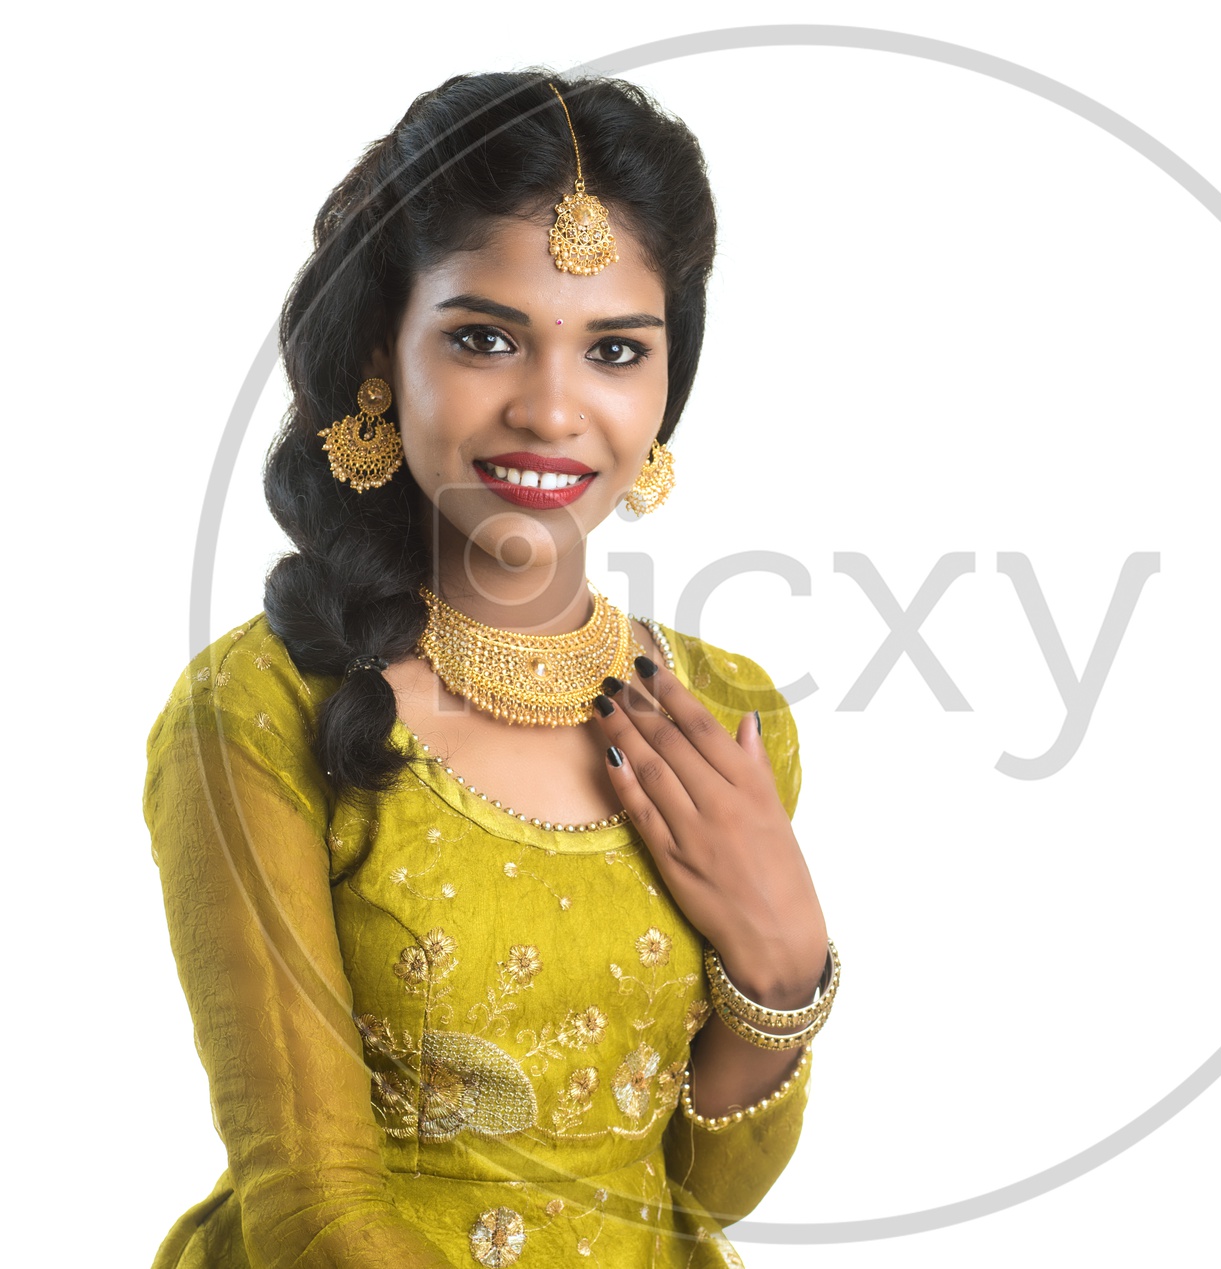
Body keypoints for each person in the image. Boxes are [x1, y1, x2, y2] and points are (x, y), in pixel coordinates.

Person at [143, 69, 837, 1268]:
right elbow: (313, 1204)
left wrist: (783, 972)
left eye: (615, 349)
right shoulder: (260, 710)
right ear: (381, 350)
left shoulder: (722, 719)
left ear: (667, 386)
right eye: (484, 338)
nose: (555, 411)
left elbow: (705, 1191)